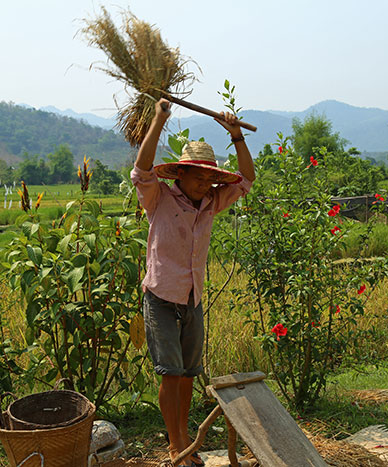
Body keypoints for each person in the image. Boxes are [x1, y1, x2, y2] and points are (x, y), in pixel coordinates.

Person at [130, 98, 255, 466]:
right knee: (170, 374)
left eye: (209, 177)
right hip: (161, 298)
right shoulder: (159, 199)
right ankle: (176, 446)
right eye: (197, 176)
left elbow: (246, 179)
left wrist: (237, 137)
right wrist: (159, 118)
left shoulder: (212, 203)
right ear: (180, 174)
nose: (204, 182)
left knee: (188, 374)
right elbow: (141, 170)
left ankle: (185, 439)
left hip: (193, 299)